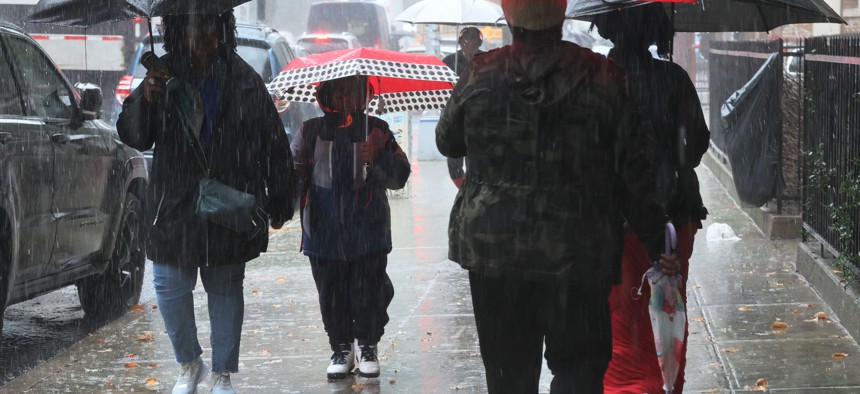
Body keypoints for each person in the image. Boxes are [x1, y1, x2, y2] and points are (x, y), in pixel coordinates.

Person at [436, 0, 677, 392]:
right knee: (580, 370)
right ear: (561, 16)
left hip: (497, 254)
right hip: (579, 253)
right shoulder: (605, 76)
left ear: (509, 18)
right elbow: (635, 171)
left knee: (508, 374)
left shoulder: (480, 72)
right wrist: (657, 241)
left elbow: (447, 141)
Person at [116, 11, 295, 394]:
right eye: (195, 29)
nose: (204, 37)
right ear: (178, 32)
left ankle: (222, 373)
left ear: (222, 32)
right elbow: (133, 134)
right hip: (173, 202)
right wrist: (146, 100)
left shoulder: (243, 79)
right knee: (168, 285)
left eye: (211, 28)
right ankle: (189, 364)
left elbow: (273, 141)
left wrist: (281, 199)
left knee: (226, 285)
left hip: (227, 201)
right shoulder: (160, 75)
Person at [592, 5, 710, 394]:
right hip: (675, 213)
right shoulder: (672, 78)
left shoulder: (596, 81)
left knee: (622, 314)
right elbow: (695, 147)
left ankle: (628, 387)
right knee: (667, 305)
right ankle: (667, 382)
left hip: (614, 217)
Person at [291, 75, 410, 380]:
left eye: (353, 92)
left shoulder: (378, 129)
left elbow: (399, 176)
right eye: (339, 92)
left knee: (368, 288)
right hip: (322, 229)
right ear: (327, 95)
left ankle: (368, 344)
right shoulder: (311, 131)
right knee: (331, 292)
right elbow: (293, 174)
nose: (346, 99)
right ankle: (341, 346)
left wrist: (379, 156)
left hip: (368, 229)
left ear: (364, 96)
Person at [441, 27, 485, 189]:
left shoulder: (487, 60)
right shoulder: (449, 62)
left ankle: (473, 193)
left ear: (479, 43)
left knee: (476, 164)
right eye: (465, 41)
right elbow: (441, 89)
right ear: (460, 42)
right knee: (454, 167)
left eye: (473, 41)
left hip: (479, 122)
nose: (469, 45)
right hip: (454, 122)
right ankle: (465, 191)